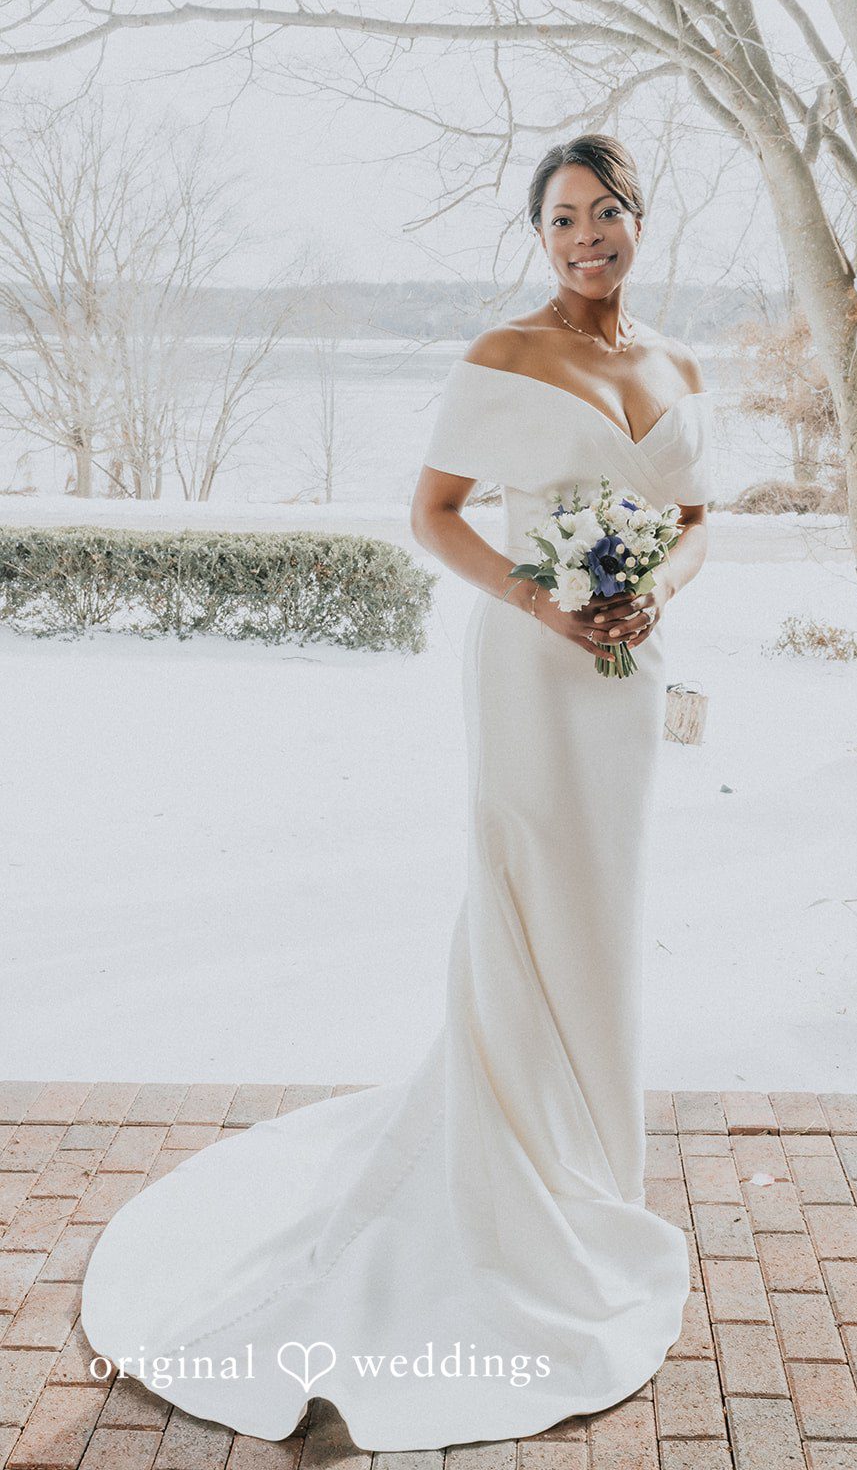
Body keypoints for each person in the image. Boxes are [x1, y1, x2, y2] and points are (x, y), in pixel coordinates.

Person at [78, 132, 714, 1452]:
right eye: (561, 219)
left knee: (608, 911)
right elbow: (433, 514)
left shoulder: (676, 367)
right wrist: (541, 600)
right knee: (527, 894)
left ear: (640, 220)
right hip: (532, 670)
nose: (586, 237)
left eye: (605, 211)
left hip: (627, 679)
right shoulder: (504, 355)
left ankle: (592, 1168)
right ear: (539, 238)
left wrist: (654, 589)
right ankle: (504, 1169)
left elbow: (696, 518)